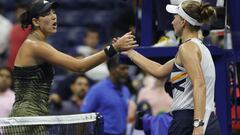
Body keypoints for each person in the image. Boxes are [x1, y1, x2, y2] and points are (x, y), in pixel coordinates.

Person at [10, 0, 137, 118]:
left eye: (54, 12)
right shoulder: (35, 45)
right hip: (27, 116)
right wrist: (113, 48)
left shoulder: (37, 44)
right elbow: (79, 66)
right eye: (47, 14)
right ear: (36, 22)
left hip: (35, 115)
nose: (54, 16)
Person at [123, 1, 220, 135]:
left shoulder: (187, 49)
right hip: (206, 119)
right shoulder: (197, 48)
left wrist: (197, 126)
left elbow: (199, 84)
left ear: (183, 22)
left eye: (175, 17)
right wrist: (130, 53)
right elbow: (160, 70)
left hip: (189, 120)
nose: (172, 21)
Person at [81, 56, 131, 135]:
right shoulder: (97, 90)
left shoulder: (126, 90)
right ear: (111, 69)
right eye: (122, 68)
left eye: (127, 68)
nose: (126, 72)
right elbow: (84, 115)